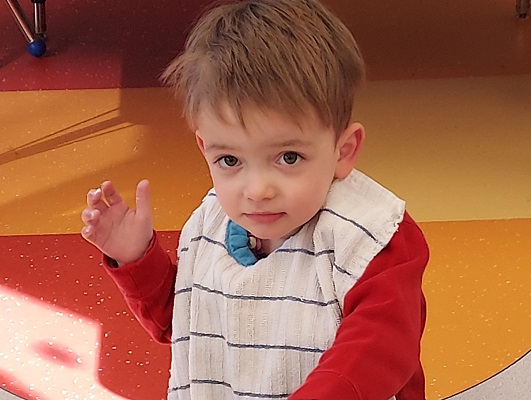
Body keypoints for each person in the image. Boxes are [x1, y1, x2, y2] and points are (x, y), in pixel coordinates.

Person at [81, 0, 429, 399]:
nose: (258, 189)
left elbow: (379, 349)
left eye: (289, 157)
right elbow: (186, 323)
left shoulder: (372, 236)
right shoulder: (210, 223)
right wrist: (136, 258)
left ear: (344, 150)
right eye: (229, 160)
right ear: (204, 147)